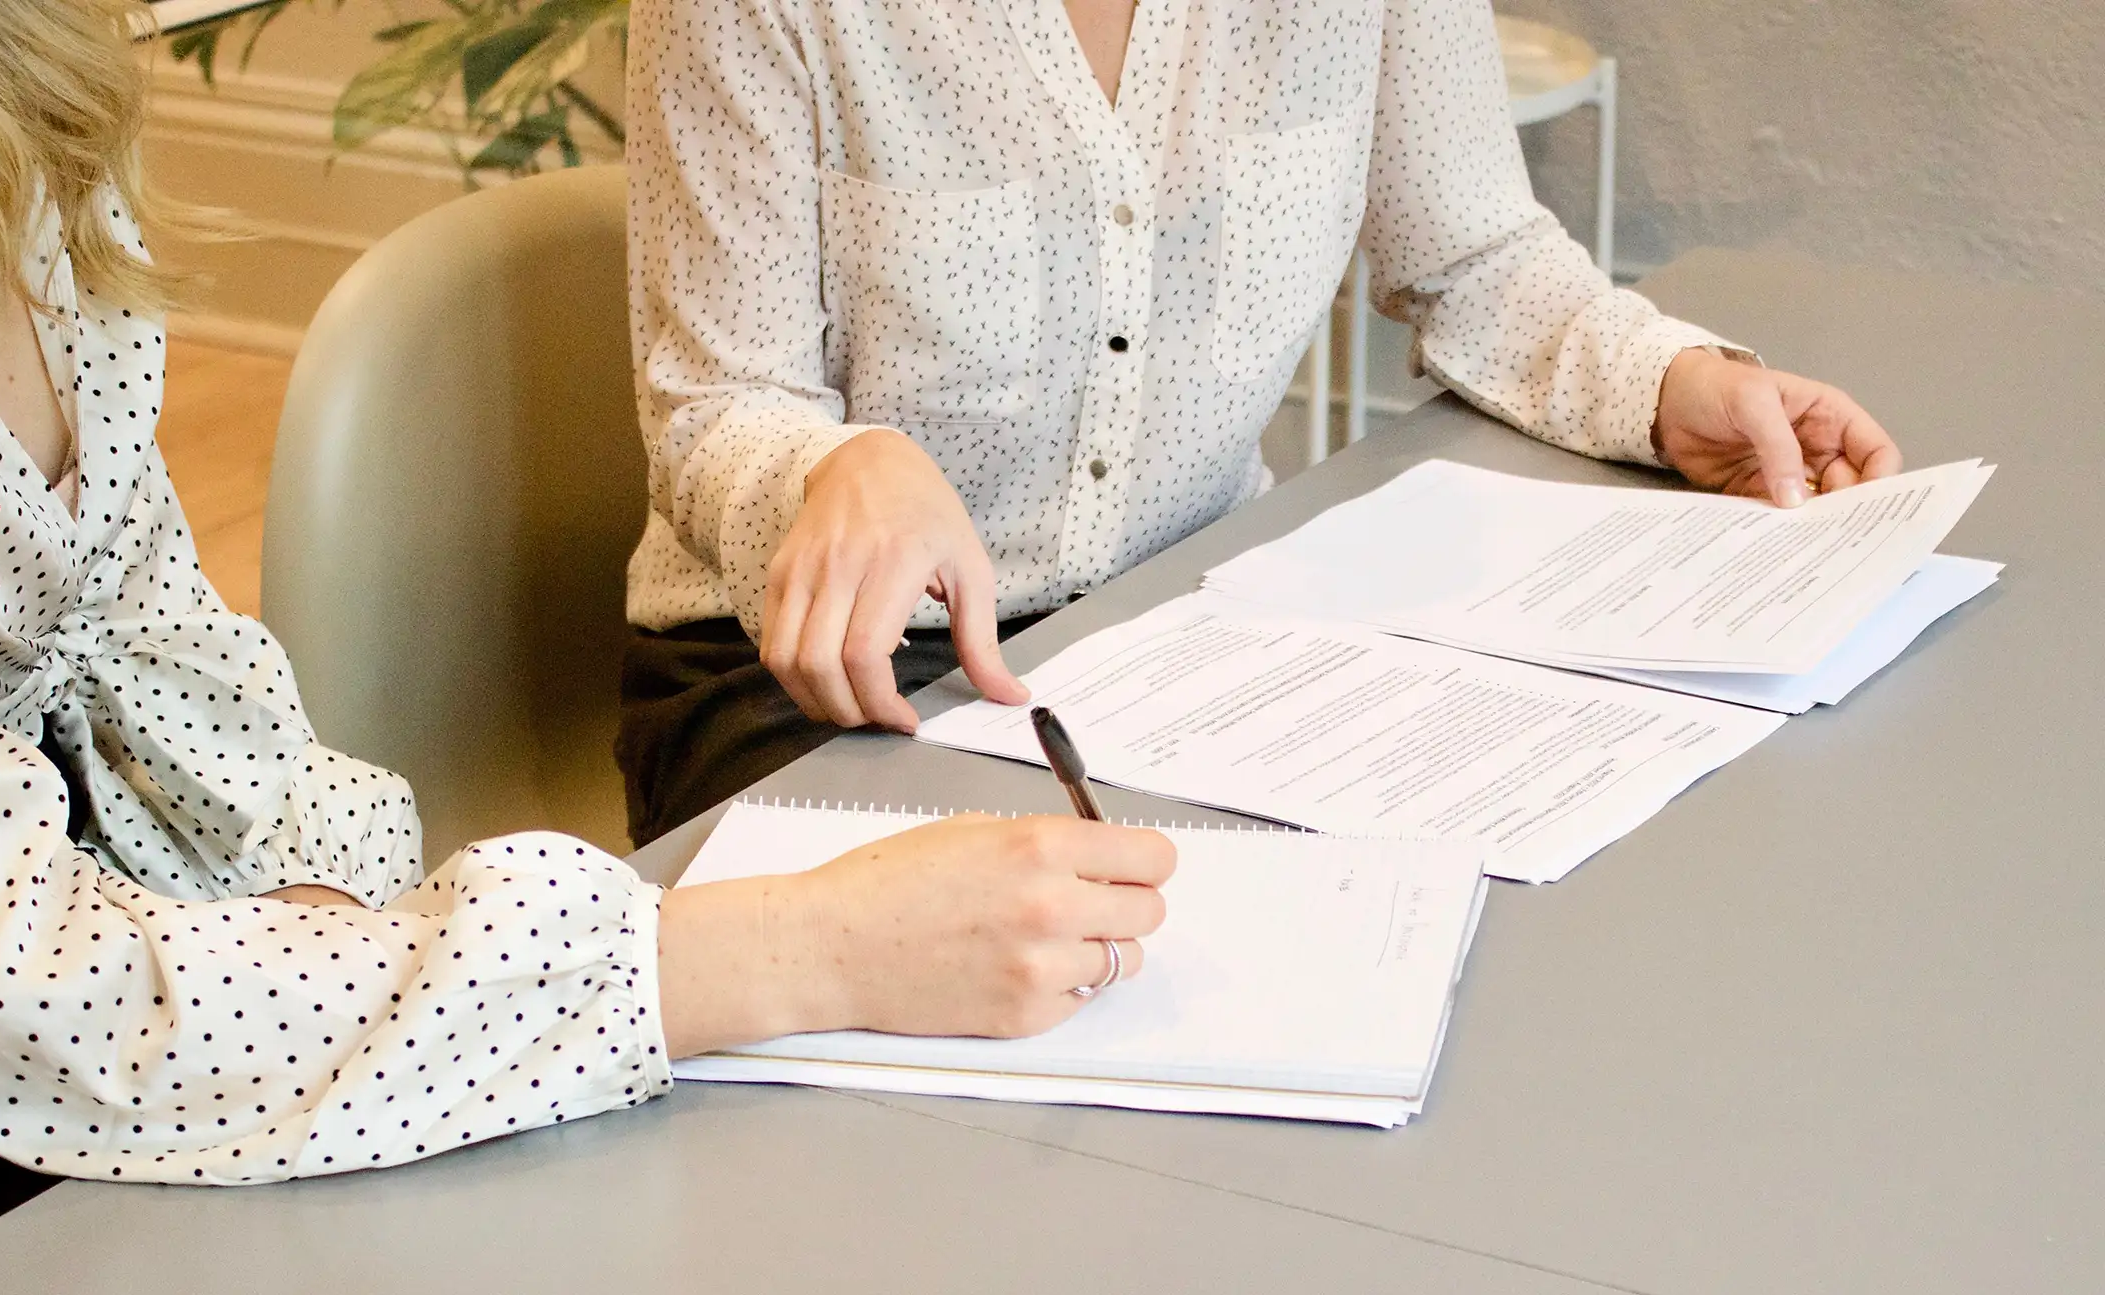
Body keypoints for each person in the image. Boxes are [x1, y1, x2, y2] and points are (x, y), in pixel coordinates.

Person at [0, 0, 1175, 1295]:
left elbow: (150, 640)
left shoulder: (4, 70)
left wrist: (325, 911)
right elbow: (15, 982)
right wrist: (798, 953)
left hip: (76, 952)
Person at [617, 0, 1906, 845]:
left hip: (1183, 636)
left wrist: (1670, 382)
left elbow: (1472, 254)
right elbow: (713, 402)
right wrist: (836, 468)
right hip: (819, 680)